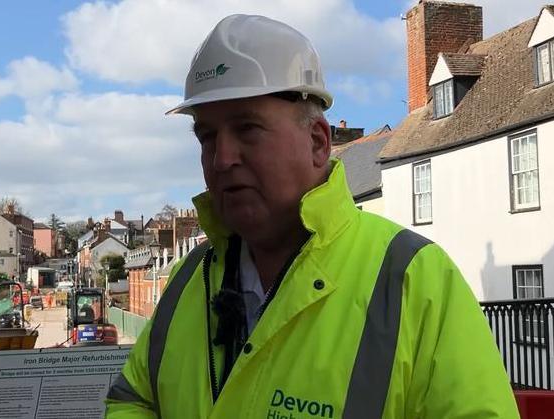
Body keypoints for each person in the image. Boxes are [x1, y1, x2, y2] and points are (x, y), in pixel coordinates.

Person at [105, 14, 518, 419]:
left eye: (247, 129)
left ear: (318, 142)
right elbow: (132, 398)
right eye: (207, 136)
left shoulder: (415, 278)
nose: (222, 157)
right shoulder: (187, 278)